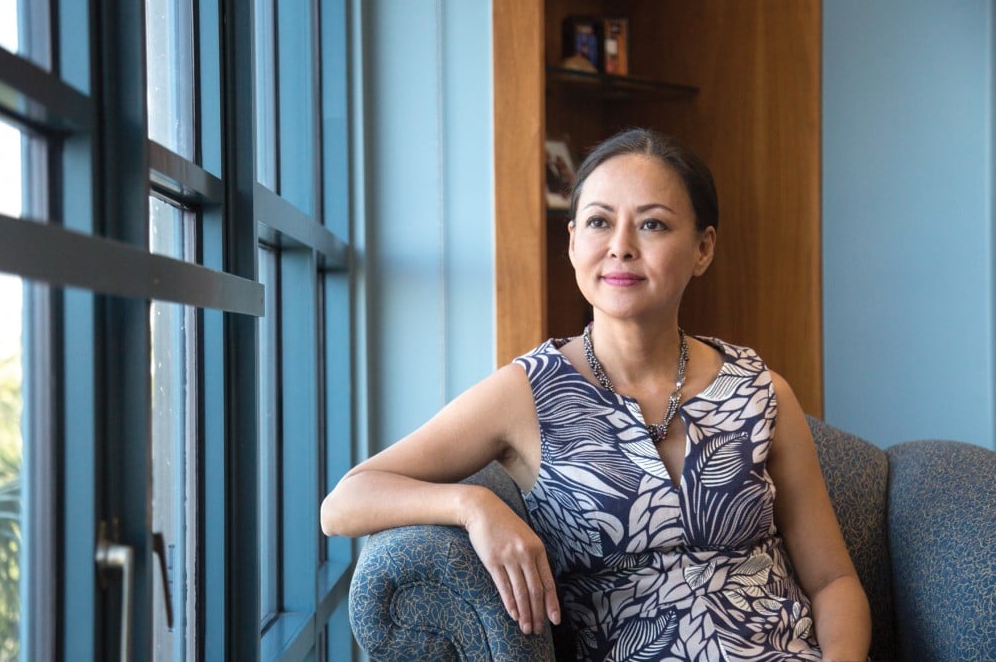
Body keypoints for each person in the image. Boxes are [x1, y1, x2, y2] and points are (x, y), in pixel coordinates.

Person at [321, 128, 871, 661]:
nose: (621, 247)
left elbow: (833, 580)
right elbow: (345, 502)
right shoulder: (527, 392)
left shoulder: (760, 390)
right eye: (599, 222)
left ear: (703, 249)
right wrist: (471, 505)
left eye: (652, 224)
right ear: (573, 243)